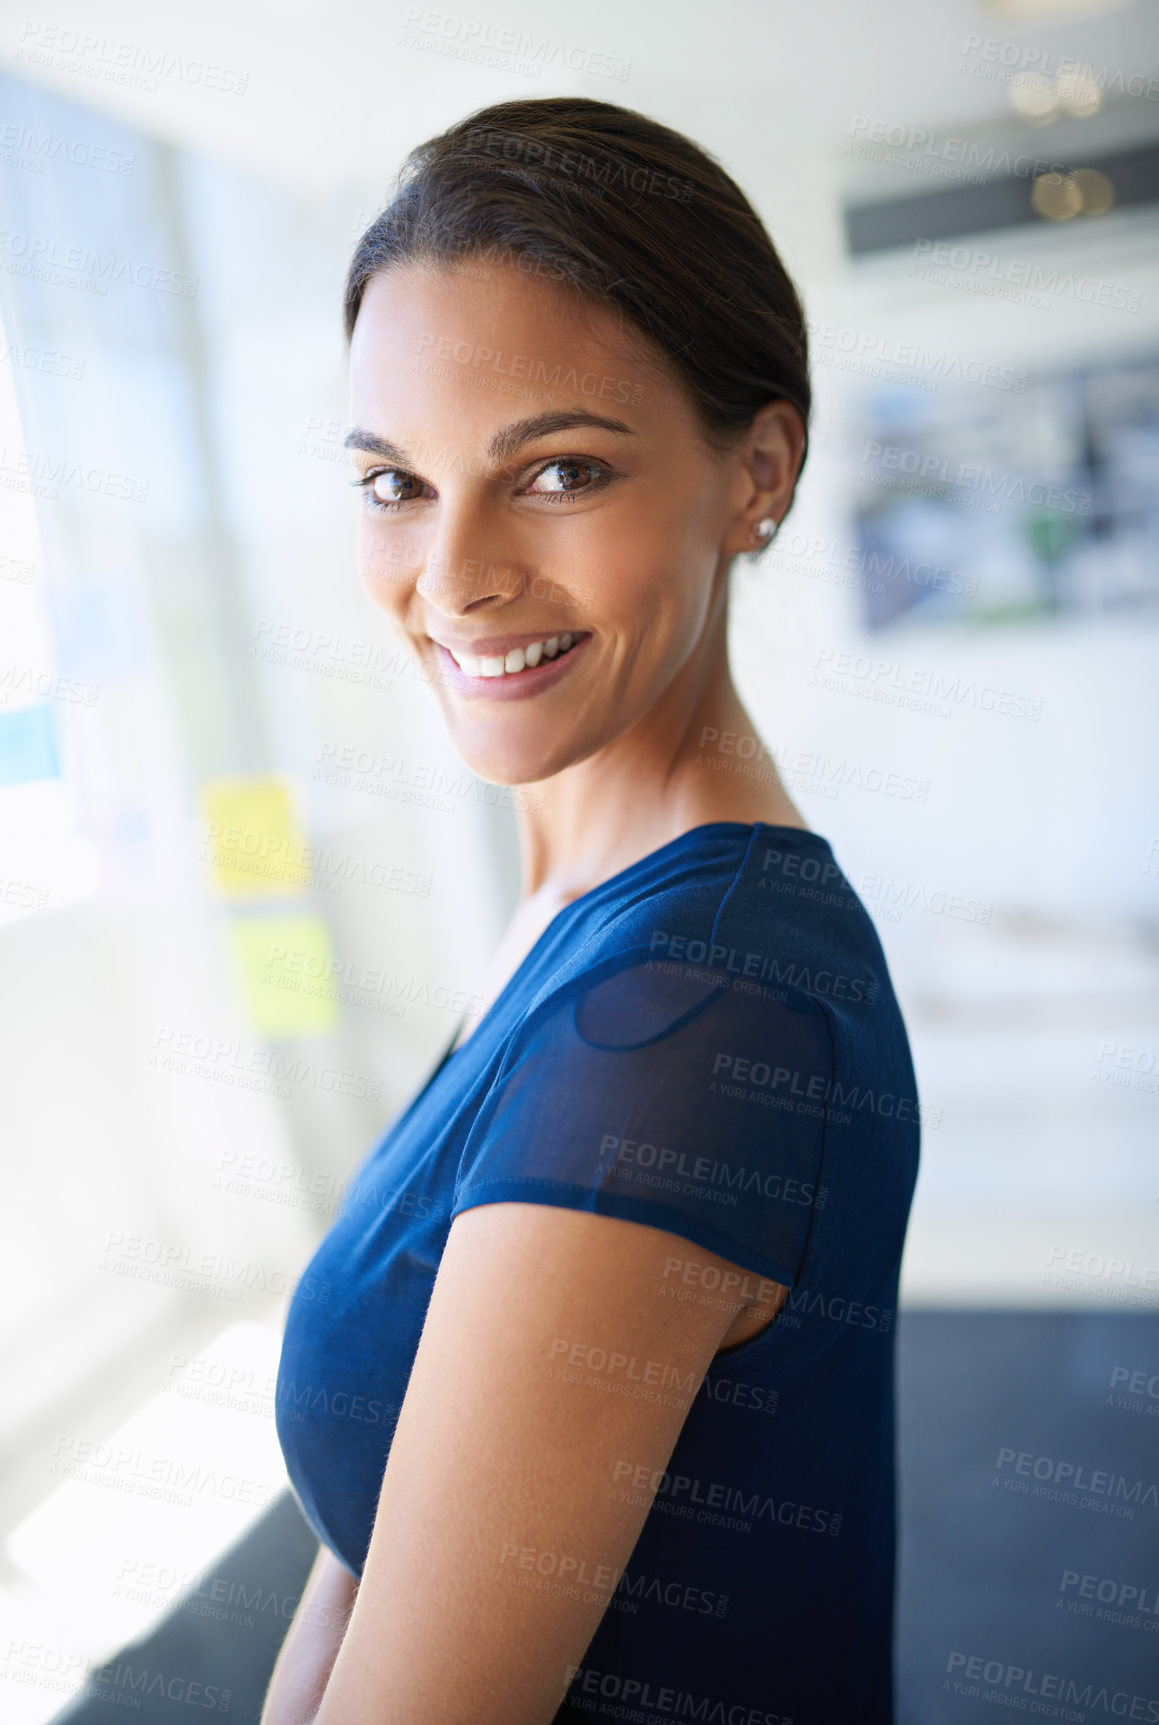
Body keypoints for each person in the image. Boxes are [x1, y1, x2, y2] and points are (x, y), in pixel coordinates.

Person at [263, 96, 920, 1725]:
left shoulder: (687, 1022)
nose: (457, 575)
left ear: (755, 473)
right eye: (394, 483)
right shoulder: (582, 902)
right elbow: (380, 1518)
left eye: (556, 470)